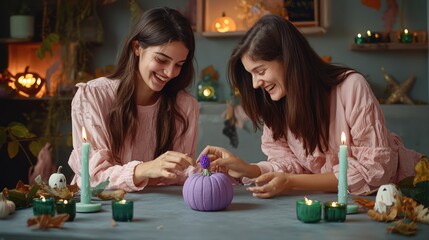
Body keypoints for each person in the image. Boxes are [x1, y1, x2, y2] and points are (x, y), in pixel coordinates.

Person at [200, 14, 423, 198]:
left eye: (260, 71)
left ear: (288, 60)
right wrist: (247, 169)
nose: (256, 83)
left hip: (407, 192)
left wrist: (291, 182)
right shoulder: (277, 102)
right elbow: (288, 164)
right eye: (251, 75)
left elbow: (374, 172)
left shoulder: (350, 87)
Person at [68, 7, 198, 192]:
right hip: (98, 208)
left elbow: (179, 175)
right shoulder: (93, 96)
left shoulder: (185, 105)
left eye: (179, 65)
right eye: (162, 60)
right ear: (137, 48)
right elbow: (94, 176)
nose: (170, 73)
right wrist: (144, 170)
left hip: (161, 210)